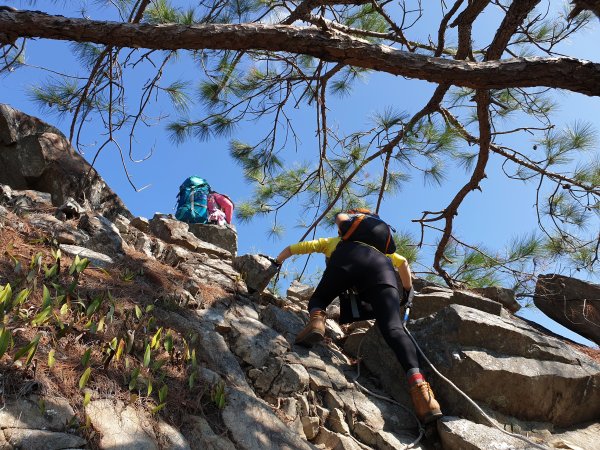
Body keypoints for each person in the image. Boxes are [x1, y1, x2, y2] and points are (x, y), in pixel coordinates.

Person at [275, 212, 443, 424]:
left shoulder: (335, 241)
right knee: (394, 328)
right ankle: (422, 394)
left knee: (319, 298)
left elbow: (293, 248)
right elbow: (404, 264)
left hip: (348, 258)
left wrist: (276, 262)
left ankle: (317, 320)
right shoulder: (384, 250)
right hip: (382, 270)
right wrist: (408, 292)